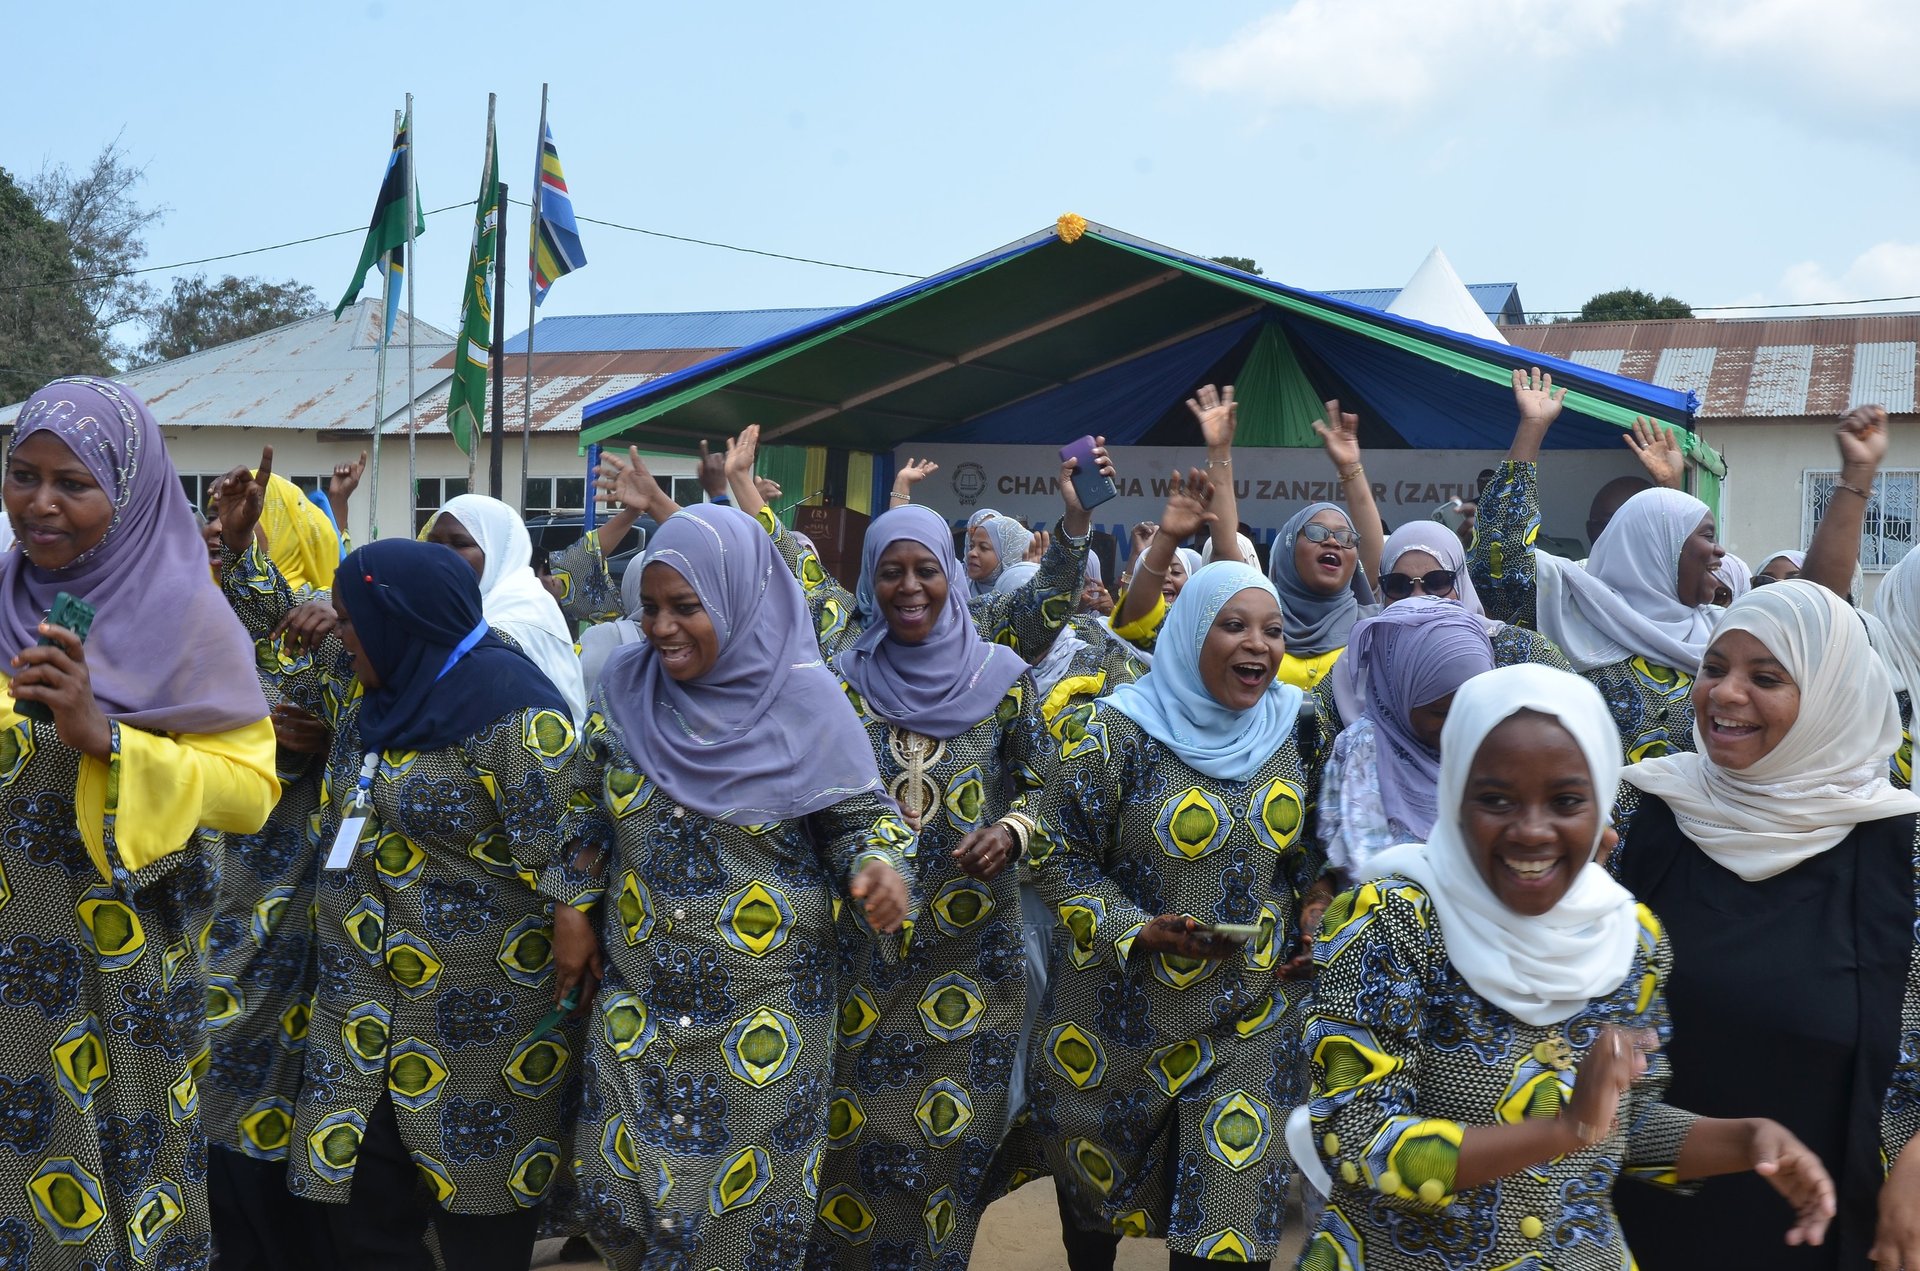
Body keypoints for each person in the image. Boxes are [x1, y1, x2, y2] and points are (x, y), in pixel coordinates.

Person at [1299, 664, 1836, 1271]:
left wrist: (1748, 1139)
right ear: (1454, 799)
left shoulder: (1629, 939)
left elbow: (1621, 1130)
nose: (1532, 830)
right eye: (1496, 799)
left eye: (1566, 801)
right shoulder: (1393, 923)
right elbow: (1357, 1140)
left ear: (1602, 807)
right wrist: (1563, 1129)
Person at [725, 426, 1108, 1269]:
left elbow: (1050, 788)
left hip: (972, 967)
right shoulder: (841, 675)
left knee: (942, 1154)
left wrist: (1014, 829)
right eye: (891, 570)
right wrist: (746, 492)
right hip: (858, 963)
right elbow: (796, 570)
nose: (908, 586)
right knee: (852, 1152)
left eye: (926, 569)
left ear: (951, 578)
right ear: (872, 577)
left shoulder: (1000, 680)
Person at [213, 489, 585, 1269]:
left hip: (478, 1021)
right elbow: (286, 629)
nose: (339, 635)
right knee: (360, 1216)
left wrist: (574, 919)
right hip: (359, 1012)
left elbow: (572, 844)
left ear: (401, 619)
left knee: (477, 1223)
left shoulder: (514, 710)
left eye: (350, 621)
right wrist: (246, 554)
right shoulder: (369, 686)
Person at [545, 504, 913, 1270]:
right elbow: (586, 807)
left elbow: (862, 821)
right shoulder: (626, 688)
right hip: (639, 998)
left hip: (764, 1014)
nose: (661, 627)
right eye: (650, 607)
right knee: (615, 1204)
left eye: (686, 607)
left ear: (739, 598)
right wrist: (573, 903)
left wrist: (878, 867)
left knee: (736, 1233)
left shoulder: (808, 703)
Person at [0, 377, 280, 1269]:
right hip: (7, 966)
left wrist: (108, 738)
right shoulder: (2, 595)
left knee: (117, 1194)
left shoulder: (189, 618)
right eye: (22, 475)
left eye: (73, 483)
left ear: (127, 493)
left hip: (117, 976)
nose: (41, 504)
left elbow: (251, 789)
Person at [1023, 560, 1328, 1270]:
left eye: (1273, 631)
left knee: (1227, 1225)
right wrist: (1136, 929)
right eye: (1234, 626)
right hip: (1117, 1016)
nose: (1258, 645)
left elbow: (1314, 850)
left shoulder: (1299, 727)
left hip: (1252, 1012)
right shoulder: (1115, 732)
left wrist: (1315, 906)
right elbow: (1057, 854)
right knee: (1094, 1214)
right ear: (1190, 633)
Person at [1612, 581, 1920, 1268]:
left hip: (1832, 1225)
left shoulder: (1903, 848)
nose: (1725, 693)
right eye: (1714, 667)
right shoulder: (1640, 811)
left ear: (1833, 696)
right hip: (1636, 1215)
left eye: (1767, 677)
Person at [201, 451, 343, 1271]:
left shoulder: (323, 629)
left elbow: (304, 681)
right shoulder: (179, 615)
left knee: (254, 1077)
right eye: (210, 530)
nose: (214, 541)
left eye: (247, 534)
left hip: (277, 897)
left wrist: (323, 737)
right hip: (197, 885)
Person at [1473, 369, 1724, 761]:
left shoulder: (1724, 632)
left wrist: (1671, 493)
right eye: (1708, 536)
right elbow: (1498, 565)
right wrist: (1532, 428)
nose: (1721, 552)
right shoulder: (1579, 605)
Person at [1318, 598, 1494, 883]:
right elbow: (1365, 863)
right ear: (1397, 693)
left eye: (1469, 708)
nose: (1456, 724)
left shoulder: (1493, 745)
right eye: (1440, 713)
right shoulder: (1364, 750)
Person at [422, 494, 588, 722]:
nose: (441, 554)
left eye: (460, 544)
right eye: (434, 543)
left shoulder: (513, 623)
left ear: (498, 552)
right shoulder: (457, 609)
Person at [966, 513, 1035, 597]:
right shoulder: (957, 590)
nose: (971, 553)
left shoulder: (1025, 597)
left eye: (983, 547)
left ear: (1008, 554)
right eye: (971, 546)